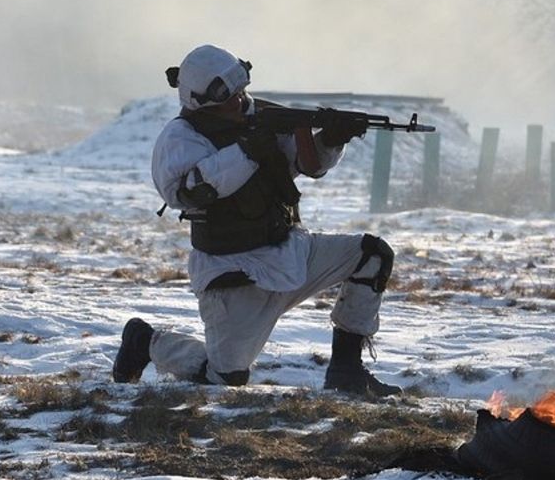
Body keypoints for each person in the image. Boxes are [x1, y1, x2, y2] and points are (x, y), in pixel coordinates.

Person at [112, 44, 401, 396]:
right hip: (235, 273)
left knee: (371, 255)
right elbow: (187, 192)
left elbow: (304, 164)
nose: (238, 101)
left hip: (291, 252)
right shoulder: (180, 139)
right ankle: (146, 342)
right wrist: (246, 151)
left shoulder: (259, 116)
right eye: (227, 97)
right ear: (200, 100)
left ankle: (346, 371)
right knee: (226, 380)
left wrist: (329, 139)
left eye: (240, 90)